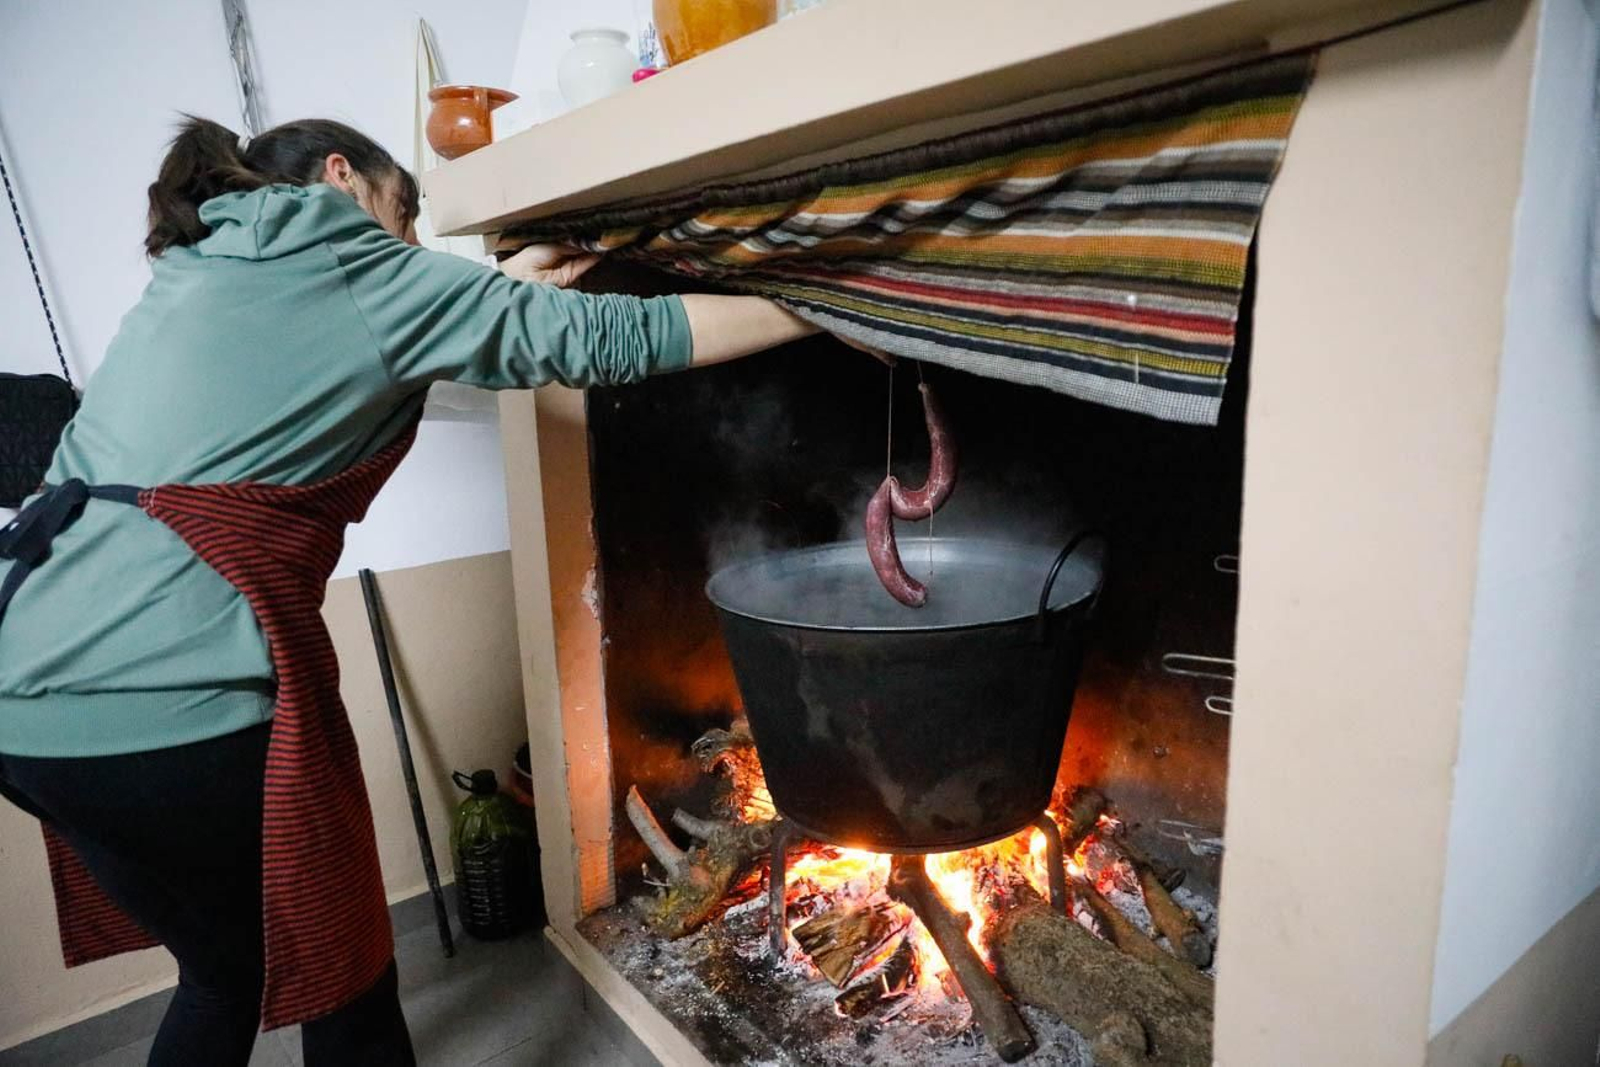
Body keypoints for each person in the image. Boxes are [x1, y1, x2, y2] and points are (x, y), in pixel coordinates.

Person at [0, 116, 837, 1066]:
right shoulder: (346, 257)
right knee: (345, 975)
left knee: (223, 972)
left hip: (25, 684)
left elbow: (376, 346)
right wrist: (822, 308)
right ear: (342, 176)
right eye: (407, 216)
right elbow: (615, 335)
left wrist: (491, 297)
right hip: (160, 691)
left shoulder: (213, 263)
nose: (408, 245)